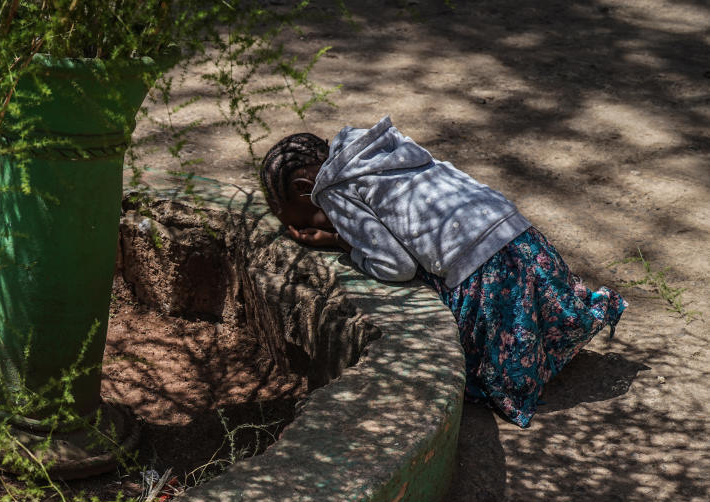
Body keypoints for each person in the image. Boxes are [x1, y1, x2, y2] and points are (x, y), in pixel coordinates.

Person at [260, 116, 626, 428]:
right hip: (523, 239)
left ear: (304, 189)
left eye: (288, 217)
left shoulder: (335, 188)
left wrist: (341, 243)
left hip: (486, 268)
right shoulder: (381, 147)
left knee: (468, 361)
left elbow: (396, 265)